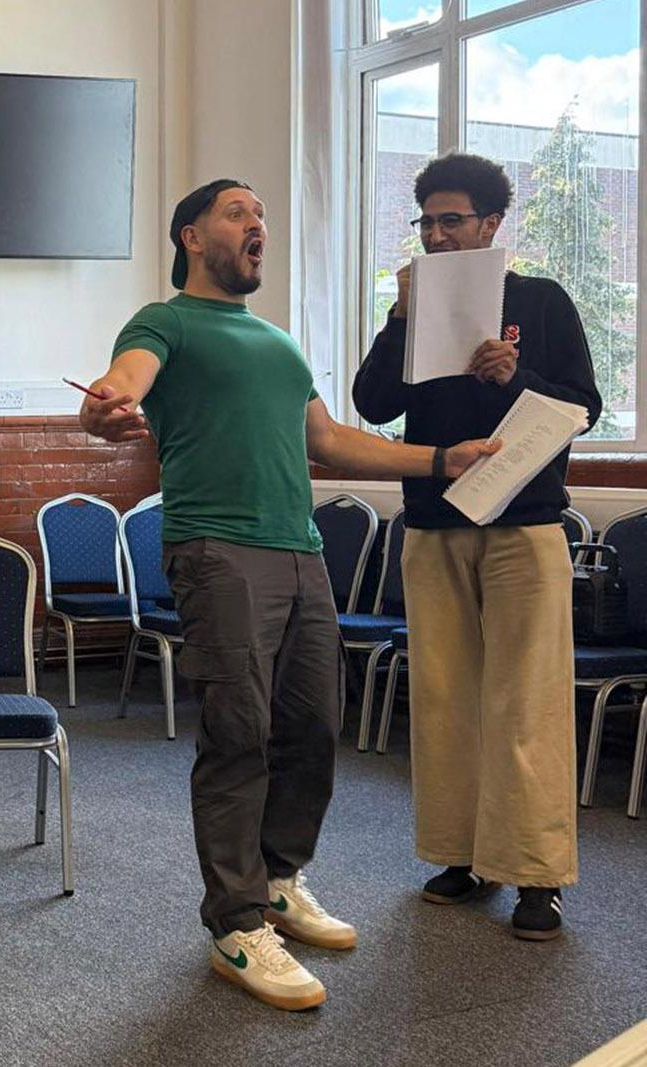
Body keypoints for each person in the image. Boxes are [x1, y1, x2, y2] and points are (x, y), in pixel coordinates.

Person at [78, 179, 497, 1012]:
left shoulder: (278, 341)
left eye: (261, 213)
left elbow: (330, 440)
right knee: (240, 734)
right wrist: (107, 409)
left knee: (312, 726)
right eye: (238, 212)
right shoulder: (165, 322)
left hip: (300, 553)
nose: (257, 224)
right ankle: (235, 924)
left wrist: (442, 458)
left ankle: (276, 880)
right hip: (217, 550)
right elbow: (123, 379)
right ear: (193, 237)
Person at [353, 153, 600, 941]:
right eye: (425, 221)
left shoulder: (542, 302)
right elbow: (372, 402)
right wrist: (397, 321)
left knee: (524, 703)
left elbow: (582, 408)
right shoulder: (413, 308)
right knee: (443, 699)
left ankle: (534, 872)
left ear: (491, 225)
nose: (434, 233)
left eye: (450, 220)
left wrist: (516, 372)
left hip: (523, 526)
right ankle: (461, 855)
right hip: (433, 524)